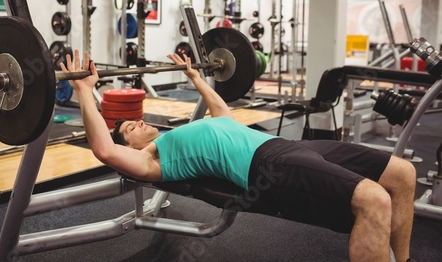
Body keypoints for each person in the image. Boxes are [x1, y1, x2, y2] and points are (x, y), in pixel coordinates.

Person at [61, 50, 416, 262]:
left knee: (402, 173)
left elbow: (222, 112)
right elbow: (103, 150)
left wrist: (195, 76)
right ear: (130, 148)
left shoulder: (181, 131)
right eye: (130, 129)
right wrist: (85, 92)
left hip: (288, 147)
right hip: (267, 165)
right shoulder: (154, 159)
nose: (138, 122)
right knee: (374, 199)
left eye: (135, 121)